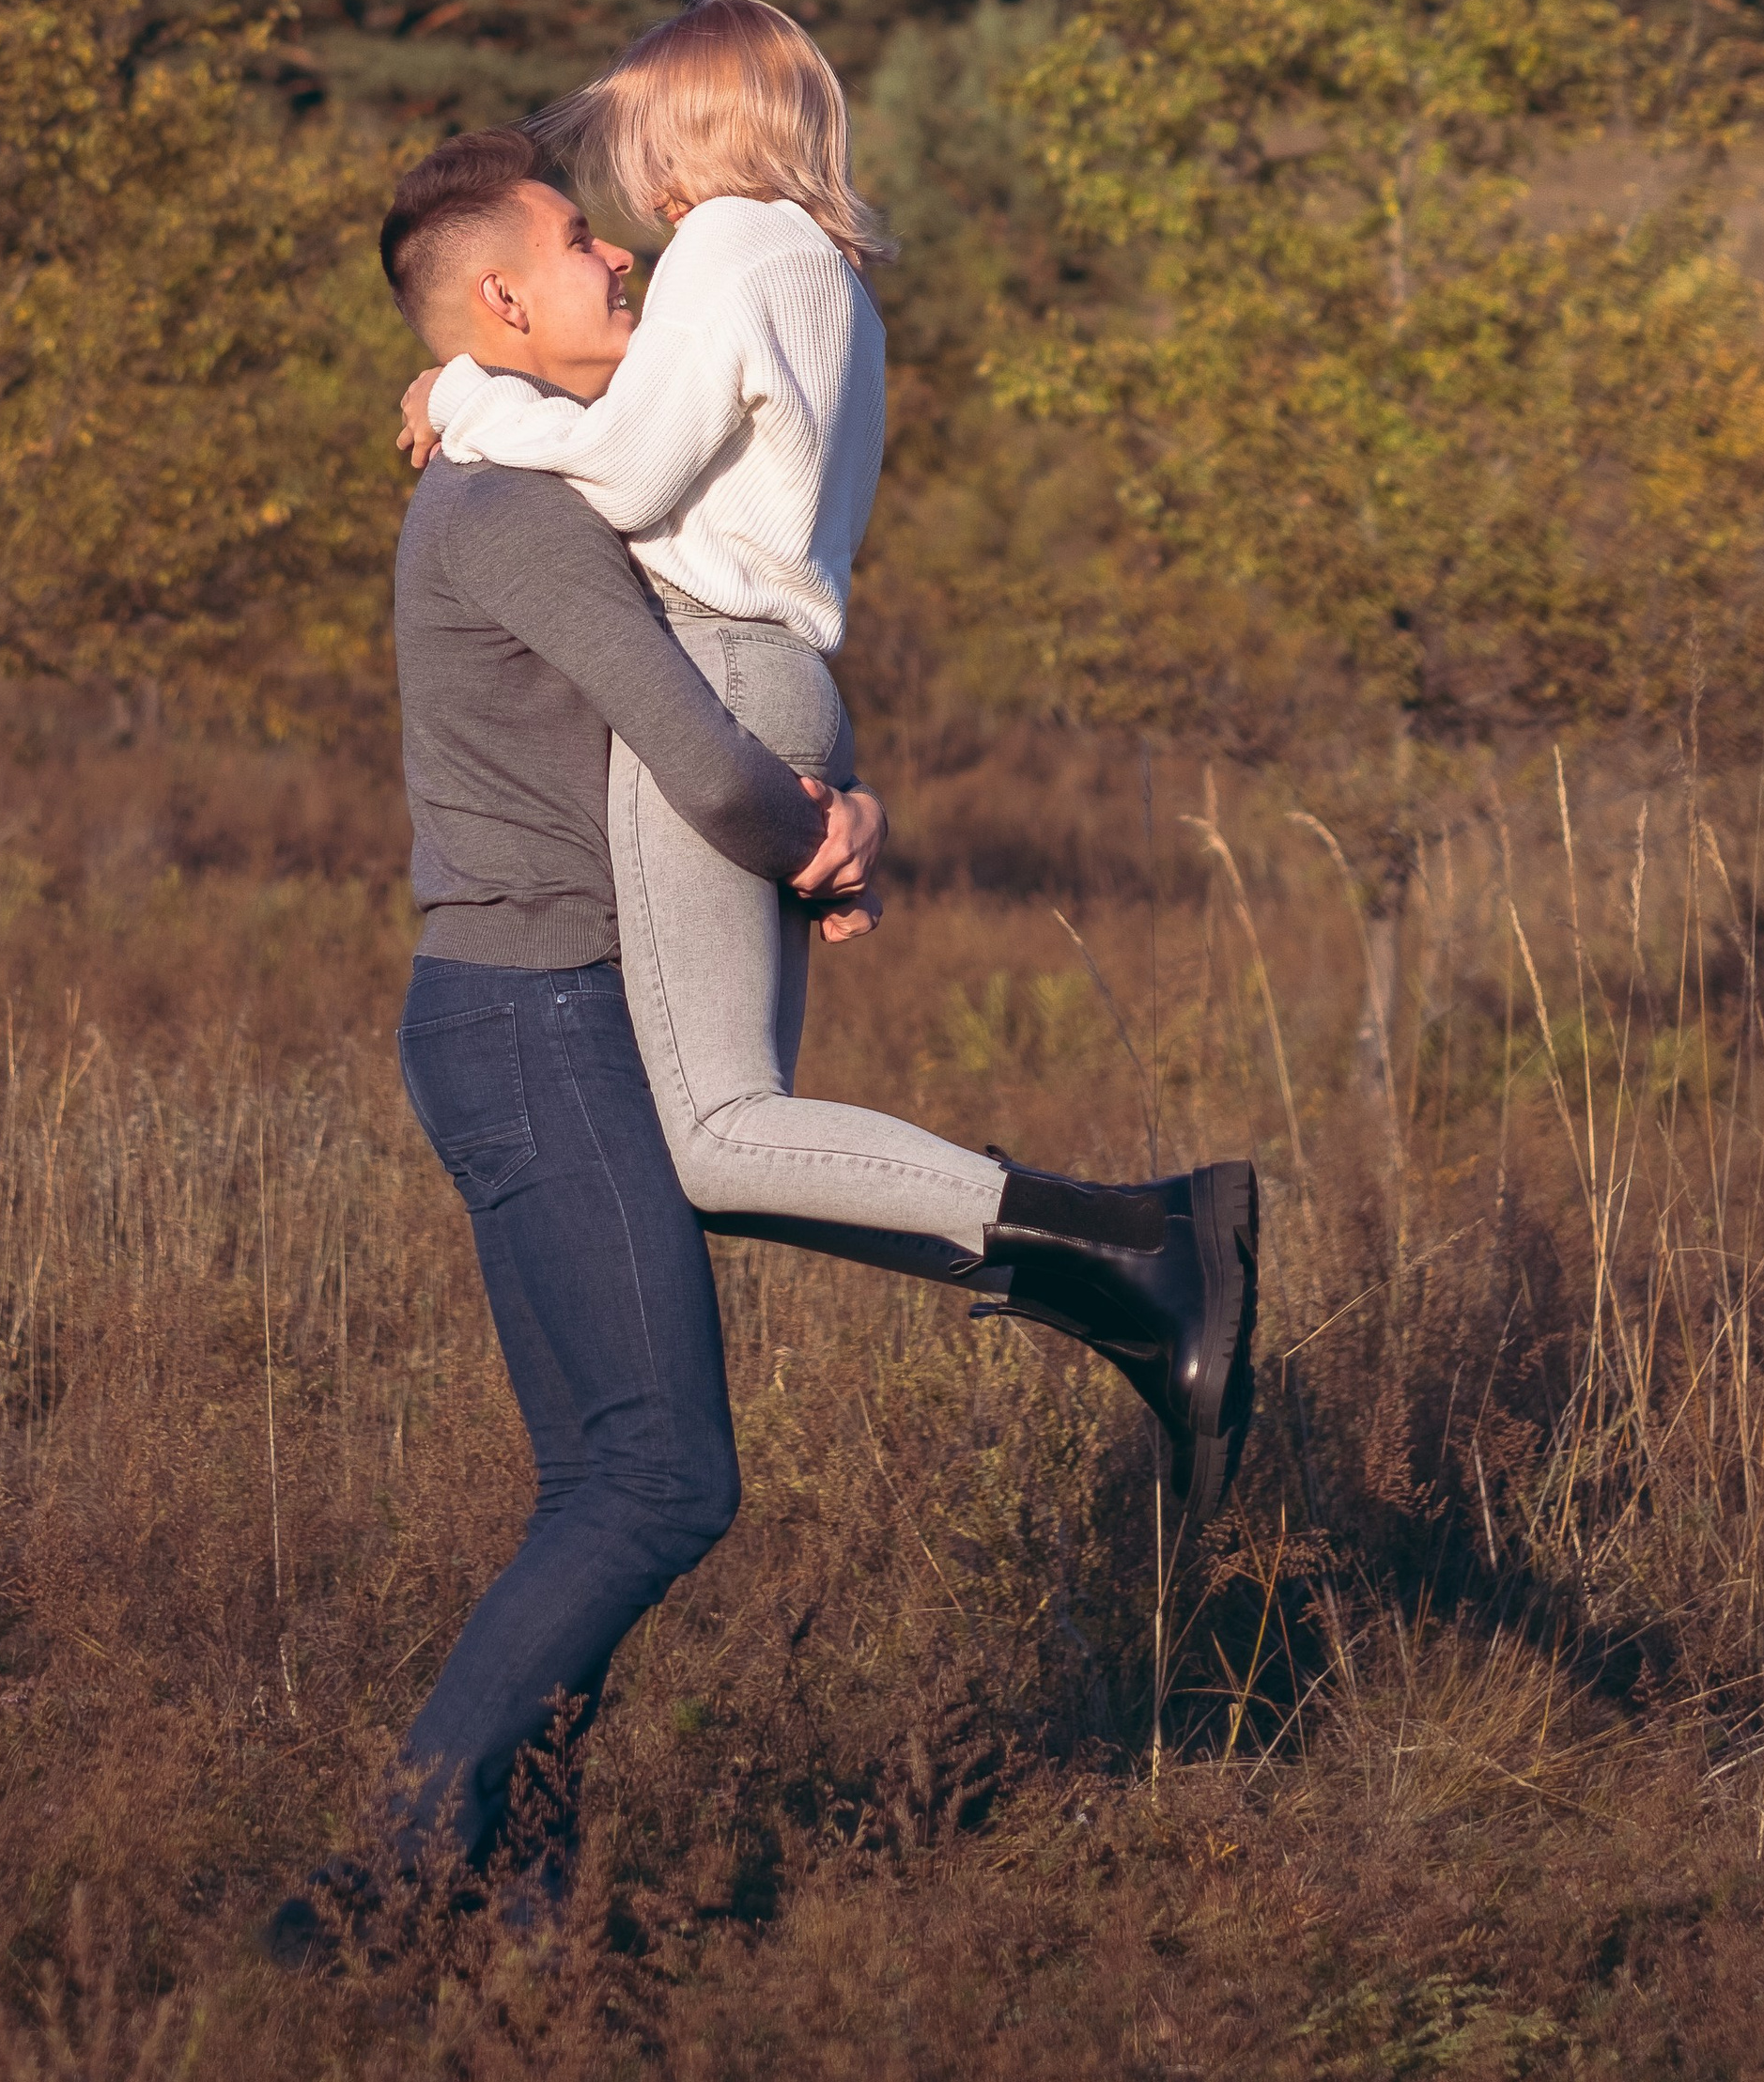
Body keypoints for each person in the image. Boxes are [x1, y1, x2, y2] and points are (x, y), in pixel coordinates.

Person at [267, 122, 1252, 1961]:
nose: (618, 259)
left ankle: (519, 1917)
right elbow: (698, 748)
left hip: (535, 1015)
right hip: (533, 1022)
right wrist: (823, 828)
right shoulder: (519, 514)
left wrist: (826, 803)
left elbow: (736, 698)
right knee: (658, 1479)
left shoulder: (544, 482)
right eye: (580, 242)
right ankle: (385, 1885)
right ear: (498, 299)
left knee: (603, 1489)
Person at [395, 5, 1257, 1504]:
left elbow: (636, 464)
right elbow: (663, 428)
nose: (633, 205)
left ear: (693, 126)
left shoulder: (732, 243)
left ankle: (1143, 1246)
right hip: (788, 666)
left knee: (719, 1139)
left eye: (636, 146)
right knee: (737, 1132)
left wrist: (468, 394)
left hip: (721, 658)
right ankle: (1125, 1274)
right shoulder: (823, 275)